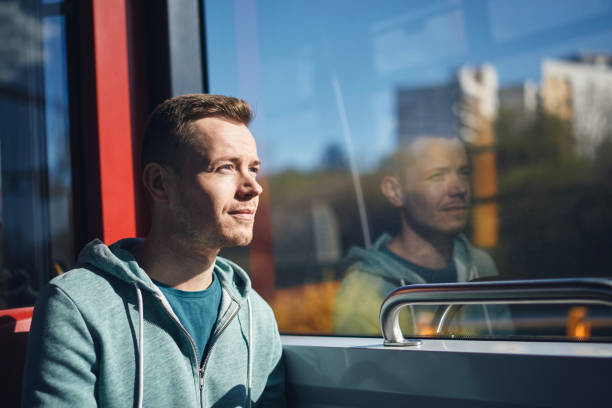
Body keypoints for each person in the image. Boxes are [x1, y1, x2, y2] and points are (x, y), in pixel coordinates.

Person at [22, 94, 285, 407]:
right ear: (160, 183)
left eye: (253, 169)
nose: (253, 187)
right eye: (226, 167)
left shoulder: (256, 316)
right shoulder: (76, 306)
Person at [333, 135, 500, 335]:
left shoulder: (481, 267)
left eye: (463, 173)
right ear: (395, 191)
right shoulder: (364, 290)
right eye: (437, 176)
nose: (459, 189)